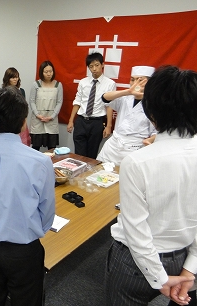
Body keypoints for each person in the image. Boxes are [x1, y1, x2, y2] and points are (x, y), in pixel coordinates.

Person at [105, 66, 197, 306]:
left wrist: (158, 276)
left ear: (152, 111)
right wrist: (190, 269)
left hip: (134, 263)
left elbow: (136, 230)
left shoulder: (137, 162)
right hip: (182, 255)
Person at [0, 87, 56, 306]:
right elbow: (47, 214)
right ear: (23, 122)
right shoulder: (40, 162)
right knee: (26, 300)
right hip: (24, 249)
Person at [96, 66, 157, 165]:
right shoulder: (125, 98)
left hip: (135, 149)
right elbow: (104, 98)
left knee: (125, 177)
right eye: (132, 80)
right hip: (113, 146)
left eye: (140, 80)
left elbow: (158, 131)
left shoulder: (153, 104)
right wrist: (128, 91)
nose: (135, 84)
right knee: (99, 173)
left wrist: (149, 140)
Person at [67, 52, 116, 159]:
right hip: (81, 121)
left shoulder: (110, 84)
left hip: (96, 123)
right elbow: (77, 102)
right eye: (91, 66)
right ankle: (79, 175)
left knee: (91, 155)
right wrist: (71, 121)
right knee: (78, 155)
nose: (94, 69)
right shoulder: (83, 82)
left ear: (103, 65)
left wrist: (108, 126)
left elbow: (109, 106)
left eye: (97, 65)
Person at [29, 61, 63, 151]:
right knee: (35, 147)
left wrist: (52, 116)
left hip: (51, 120)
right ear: (41, 72)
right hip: (38, 120)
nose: (48, 74)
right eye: (46, 72)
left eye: (50, 71)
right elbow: (32, 101)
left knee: (52, 149)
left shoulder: (58, 85)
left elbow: (59, 102)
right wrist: (37, 114)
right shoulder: (36, 84)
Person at [2, 67, 31, 146]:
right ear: (8, 78)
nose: (15, 79)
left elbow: (24, 107)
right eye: (12, 77)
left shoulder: (21, 91)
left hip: (20, 120)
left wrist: (24, 120)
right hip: (9, 123)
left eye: (17, 77)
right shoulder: (4, 92)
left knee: (24, 143)